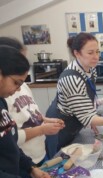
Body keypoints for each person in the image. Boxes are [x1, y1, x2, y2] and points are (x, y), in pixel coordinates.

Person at [45, 32, 103, 159]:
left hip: (74, 123)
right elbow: (87, 115)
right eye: (90, 53)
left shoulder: (90, 69)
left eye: (97, 52)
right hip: (60, 127)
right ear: (76, 53)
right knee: (60, 159)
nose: (96, 57)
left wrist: (92, 115)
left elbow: (87, 99)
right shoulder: (72, 78)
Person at [0, 45, 53, 178]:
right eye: (16, 82)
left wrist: (31, 168)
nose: (18, 89)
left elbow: (11, 143)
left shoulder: (1, 102)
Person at [0, 36, 65, 165]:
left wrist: (46, 120)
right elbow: (12, 137)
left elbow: (31, 114)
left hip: (37, 155)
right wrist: (42, 130)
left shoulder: (22, 86)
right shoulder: (4, 96)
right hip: (22, 159)